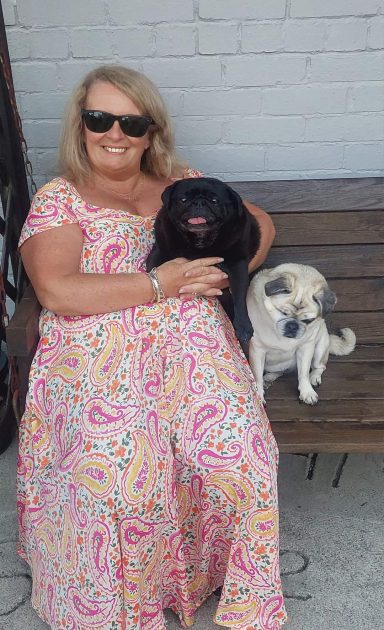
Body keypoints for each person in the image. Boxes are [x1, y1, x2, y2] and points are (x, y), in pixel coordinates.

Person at [17, 64, 287, 629]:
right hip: (95, 349)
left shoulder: (181, 179)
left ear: (151, 131)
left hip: (194, 344)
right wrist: (160, 284)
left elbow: (256, 221)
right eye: (100, 119)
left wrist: (224, 274)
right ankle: (116, 602)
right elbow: (57, 289)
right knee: (120, 475)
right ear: (80, 125)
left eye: (131, 123)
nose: (114, 135)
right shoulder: (58, 198)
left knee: (242, 455)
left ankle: (217, 579)